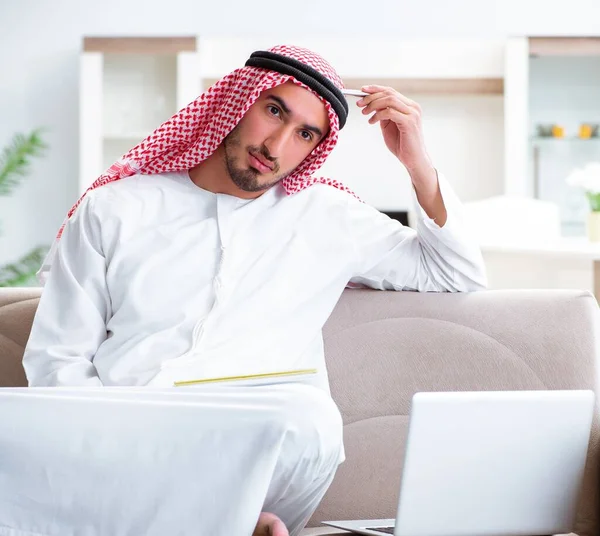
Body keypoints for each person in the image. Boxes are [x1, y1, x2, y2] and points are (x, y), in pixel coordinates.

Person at [19, 45, 487, 536]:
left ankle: (209, 516)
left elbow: (456, 274)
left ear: (316, 149)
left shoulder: (328, 216)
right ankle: (228, 522)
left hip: (260, 440)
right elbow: (59, 360)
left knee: (308, 417)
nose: (277, 145)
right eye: (274, 111)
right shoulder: (114, 209)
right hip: (127, 433)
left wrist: (416, 160)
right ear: (237, 101)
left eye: (306, 133)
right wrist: (106, 445)